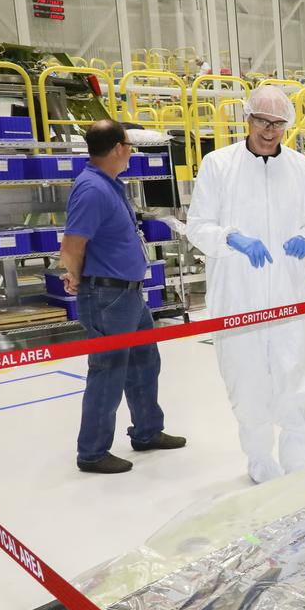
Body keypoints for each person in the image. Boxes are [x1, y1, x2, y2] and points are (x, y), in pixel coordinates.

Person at [187, 86, 305, 484]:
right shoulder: (218, 165)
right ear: (247, 119)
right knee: (247, 380)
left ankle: (300, 463)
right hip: (238, 296)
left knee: (296, 377)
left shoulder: (300, 168)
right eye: (262, 122)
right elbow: (198, 226)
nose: (270, 131)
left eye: (278, 124)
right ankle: (260, 460)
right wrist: (232, 238)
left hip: (289, 292)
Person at [62, 119, 185, 474]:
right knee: (108, 371)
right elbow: (71, 246)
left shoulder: (110, 184)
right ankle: (92, 452)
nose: (131, 151)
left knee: (146, 362)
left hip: (128, 294)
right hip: (107, 296)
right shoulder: (91, 189)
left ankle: (147, 431)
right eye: (129, 145)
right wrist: (75, 276)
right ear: (117, 148)